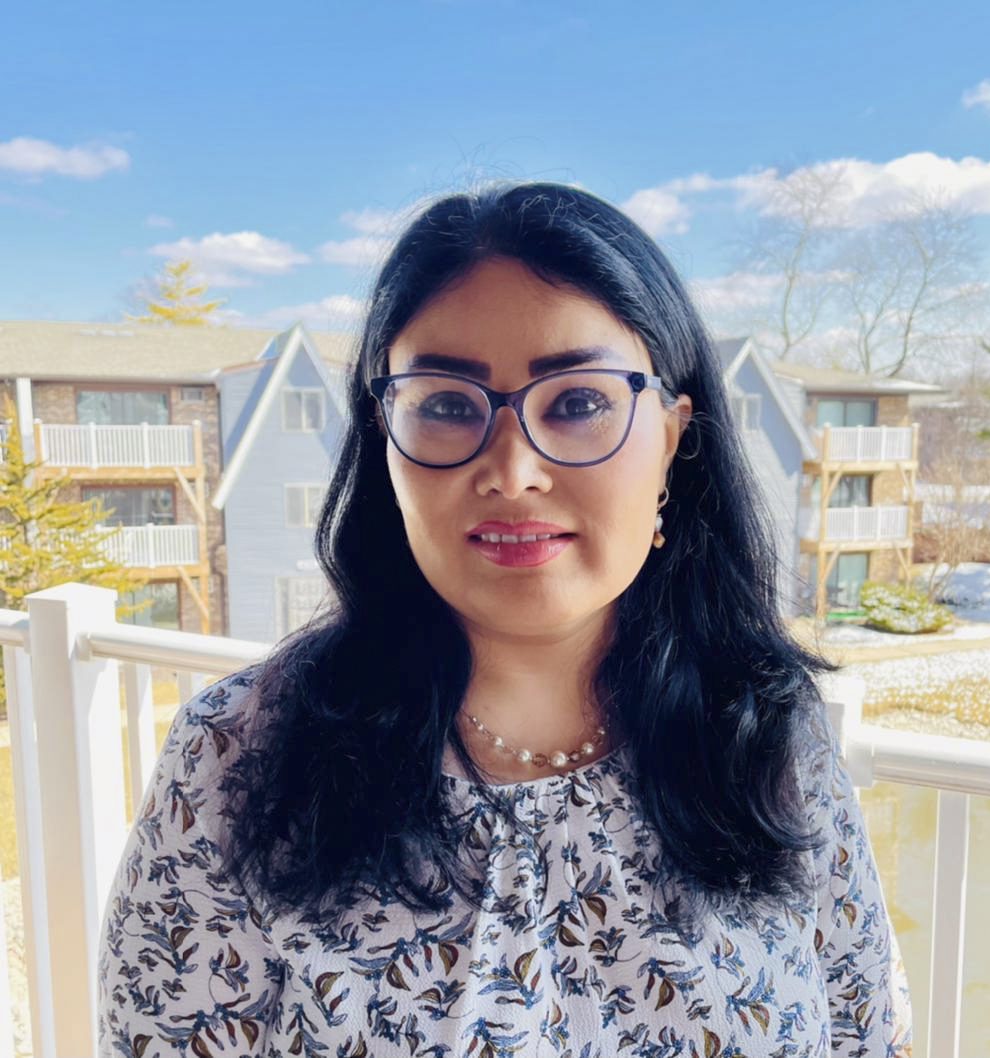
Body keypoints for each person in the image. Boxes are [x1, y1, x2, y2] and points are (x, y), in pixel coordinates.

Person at [98, 180, 913, 1057]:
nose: (514, 469)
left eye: (579, 401)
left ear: (674, 436)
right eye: (447, 405)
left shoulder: (765, 731)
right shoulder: (236, 760)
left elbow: (862, 1029)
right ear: (386, 440)